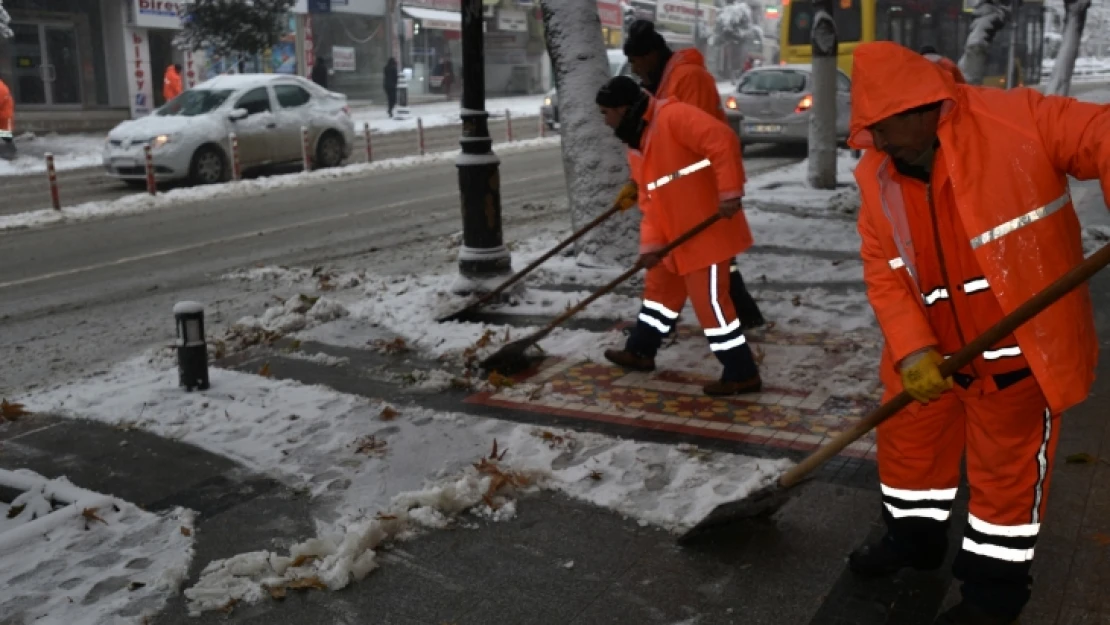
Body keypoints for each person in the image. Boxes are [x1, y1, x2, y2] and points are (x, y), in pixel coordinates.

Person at [847, 41, 1110, 625]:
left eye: (882, 128)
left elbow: (1103, 133)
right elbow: (884, 271)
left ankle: (993, 596)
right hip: (927, 358)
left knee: (1004, 491)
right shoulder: (878, 173)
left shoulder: (1017, 120)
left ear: (921, 108)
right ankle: (913, 542)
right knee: (910, 460)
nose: (876, 143)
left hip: (1015, 360)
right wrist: (914, 349)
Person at [597, 76, 763, 396]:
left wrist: (729, 192)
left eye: (606, 112)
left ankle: (742, 372)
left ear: (622, 109)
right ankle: (641, 351)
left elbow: (722, 140)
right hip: (672, 235)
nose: (604, 121)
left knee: (711, 307)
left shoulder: (673, 117)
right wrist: (651, 245)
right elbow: (652, 196)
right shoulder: (636, 139)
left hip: (707, 232)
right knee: (659, 295)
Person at [621, 18, 765, 329]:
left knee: (710, 259)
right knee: (702, 261)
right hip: (680, 189)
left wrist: (724, 190)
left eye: (635, 61)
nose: (633, 69)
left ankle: (737, 320)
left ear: (650, 55)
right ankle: (653, 335)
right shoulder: (660, 81)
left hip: (701, 187)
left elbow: (699, 139)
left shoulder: (688, 79)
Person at [0, 77, 14, 160]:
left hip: (4, 115)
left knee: (5, 135)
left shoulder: (1, 88)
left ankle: (10, 153)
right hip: (3, 114)